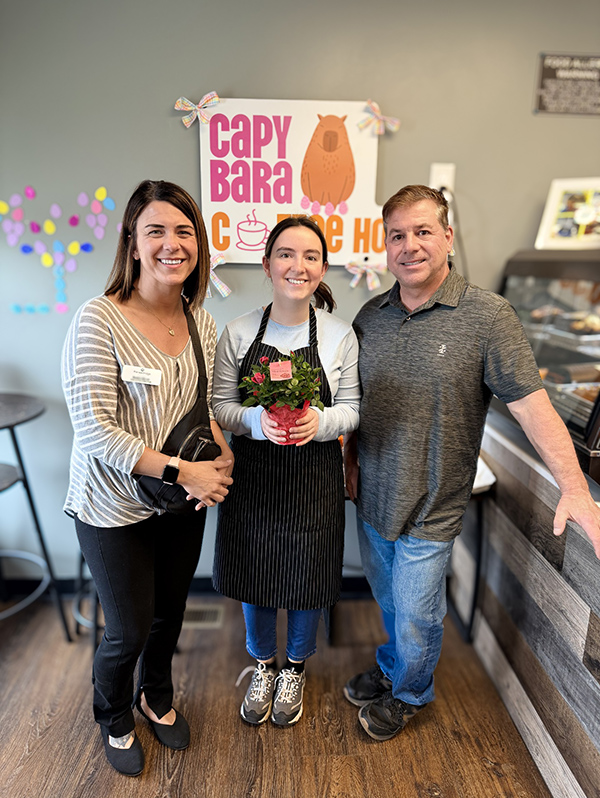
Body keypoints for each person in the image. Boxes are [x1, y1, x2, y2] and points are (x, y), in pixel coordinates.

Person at [343, 184, 600, 742]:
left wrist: (575, 488)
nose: (409, 246)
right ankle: (394, 669)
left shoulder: (487, 316)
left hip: (433, 507)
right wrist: (349, 464)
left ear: (448, 237)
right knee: (389, 603)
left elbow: (533, 408)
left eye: (422, 232)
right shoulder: (370, 316)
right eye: (397, 236)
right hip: (373, 498)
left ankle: (410, 693)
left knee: (417, 615)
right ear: (385, 245)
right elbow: (353, 405)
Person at [62, 180, 233, 776]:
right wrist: (185, 470)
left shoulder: (203, 325)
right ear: (133, 244)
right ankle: (113, 714)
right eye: (155, 230)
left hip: (178, 500)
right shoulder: (98, 320)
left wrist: (221, 453)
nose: (171, 243)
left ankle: (154, 696)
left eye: (184, 231)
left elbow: (204, 405)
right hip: (111, 505)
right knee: (127, 629)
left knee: (169, 613)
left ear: (198, 244)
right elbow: (94, 431)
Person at [212, 216, 360, 728]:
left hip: (314, 479)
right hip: (253, 476)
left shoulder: (341, 336)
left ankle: (294, 668)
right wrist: (257, 420)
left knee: (308, 575)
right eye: (287, 254)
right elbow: (221, 408)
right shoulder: (236, 331)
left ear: (322, 268)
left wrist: (319, 422)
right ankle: (262, 665)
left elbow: (353, 409)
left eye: (311, 256)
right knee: (256, 574)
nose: (298, 265)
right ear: (267, 263)